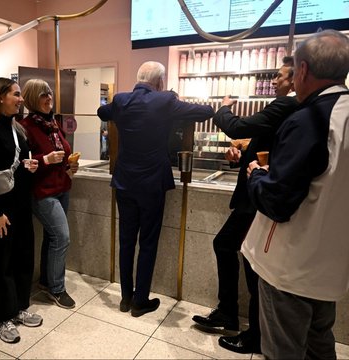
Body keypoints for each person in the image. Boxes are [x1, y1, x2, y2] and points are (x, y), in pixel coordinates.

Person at [241, 29, 349, 359]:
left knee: (283, 350)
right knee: (319, 345)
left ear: (301, 71)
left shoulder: (308, 119)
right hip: (331, 265)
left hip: (290, 268)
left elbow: (277, 201)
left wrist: (257, 175)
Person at [192, 57, 298, 354]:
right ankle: (233, 315)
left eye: (280, 76)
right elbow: (263, 141)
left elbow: (236, 126)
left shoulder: (287, 105)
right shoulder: (290, 107)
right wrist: (243, 150)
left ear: (295, 78)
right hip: (255, 197)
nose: (274, 81)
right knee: (232, 250)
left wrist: (223, 107)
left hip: (257, 199)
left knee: (247, 261)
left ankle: (252, 331)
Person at [97, 61, 214, 317]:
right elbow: (205, 111)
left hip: (125, 181)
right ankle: (140, 301)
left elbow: (101, 112)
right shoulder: (165, 101)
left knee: (126, 239)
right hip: (152, 183)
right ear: (160, 82)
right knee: (148, 242)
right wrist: (175, 100)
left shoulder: (120, 100)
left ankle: (126, 296)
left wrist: (119, 110)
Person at [0, 77, 41, 343]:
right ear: (0, 97)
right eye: (16, 94)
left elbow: (16, 165)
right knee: (0, 263)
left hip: (21, 205)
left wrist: (30, 167)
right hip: (0, 209)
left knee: (23, 257)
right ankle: (2, 317)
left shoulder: (17, 129)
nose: (21, 99)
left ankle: (19, 308)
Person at [19, 79, 79, 309]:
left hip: (61, 187)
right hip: (42, 192)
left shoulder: (53, 123)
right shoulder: (25, 127)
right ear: (33, 98)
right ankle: (56, 288)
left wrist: (69, 166)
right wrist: (44, 160)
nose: (49, 99)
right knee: (62, 237)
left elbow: (63, 153)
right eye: (43, 95)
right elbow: (21, 163)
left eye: (50, 94)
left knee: (52, 237)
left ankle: (46, 281)